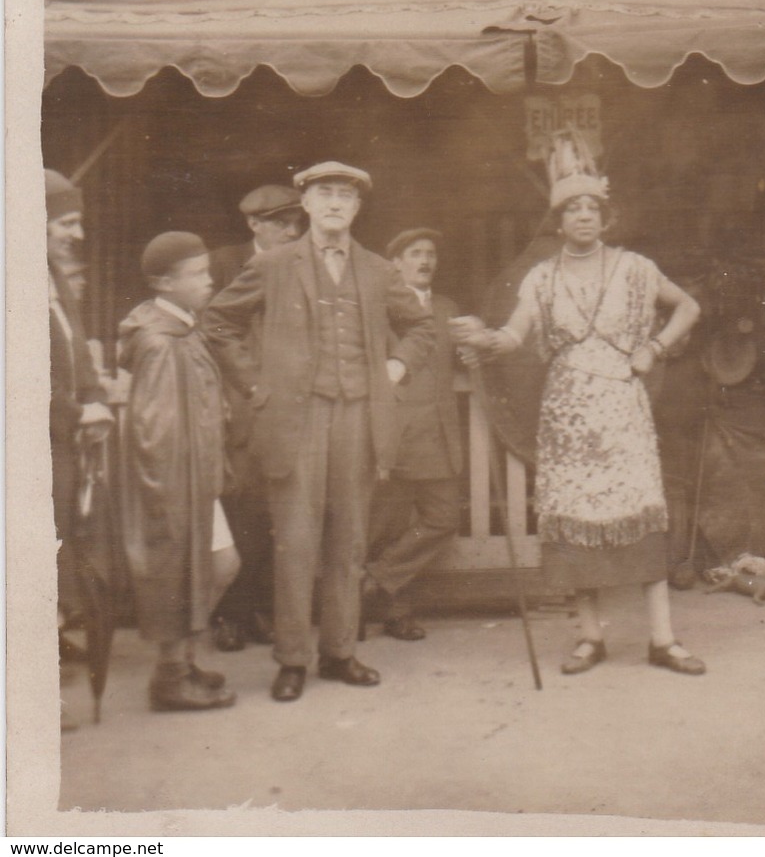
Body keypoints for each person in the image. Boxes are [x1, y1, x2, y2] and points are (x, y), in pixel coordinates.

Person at [456, 129, 705, 676]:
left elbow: (688, 306)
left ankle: (662, 639)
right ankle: (589, 637)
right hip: (566, 415)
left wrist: (655, 347)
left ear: (606, 217)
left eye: (593, 208)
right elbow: (513, 336)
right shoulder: (540, 278)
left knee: (641, 518)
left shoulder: (636, 268)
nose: (585, 216)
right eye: (574, 209)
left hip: (623, 411)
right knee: (575, 526)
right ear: (559, 221)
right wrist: (483, 339)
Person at [203, 162, 436, 703]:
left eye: (345, 196)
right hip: (296, 421)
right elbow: (218, 321)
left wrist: (396, 367)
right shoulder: (275, 264)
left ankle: (338, 653)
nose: (334, 204)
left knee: (348, 541)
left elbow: (422, 326)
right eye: (324, 194)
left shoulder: (378, 271)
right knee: (297, 543)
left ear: (357, 209)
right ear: (305, 205)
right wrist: (256, 384)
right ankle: (292, 659)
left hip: (358, 418)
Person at [118, 233, 240, 711]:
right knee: (190, 569)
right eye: (198, 275)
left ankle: (181, 661)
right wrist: (173, 488)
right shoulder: (161, 343)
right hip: (175, 483)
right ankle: (170, 677)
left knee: (220, 564)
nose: (209, 281)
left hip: (197, 476)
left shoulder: (183, 328)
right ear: (163, 283)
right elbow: (157, 428)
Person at [208, 183, 305, 653]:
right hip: (236, 411)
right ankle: (229, 615)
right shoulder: (221, 264)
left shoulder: (303, 265)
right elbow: (205, 333)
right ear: (254, 224)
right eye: (282, 222)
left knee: (275, 515)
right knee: (238, 513)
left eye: (295, 222)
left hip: (287, 411)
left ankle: (260, 609)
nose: (292, 230)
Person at [361, 228, 464, 641]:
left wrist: (473, 345)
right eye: (415, 254)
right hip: (397, 434)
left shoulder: (446, 308)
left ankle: (373, 581)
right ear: (396, 264)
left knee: (442, 519)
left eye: (431, 254)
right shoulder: (382, 309)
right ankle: (394, 613)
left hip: (439, 434)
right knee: (386, 526)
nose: (425, 261)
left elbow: (458, 355)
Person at [46, 171, 114, 690]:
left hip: (62, 446)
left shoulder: (52, 277)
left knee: (62, 543)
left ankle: (51, 639)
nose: (77, 235)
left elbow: (77, 358)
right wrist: (76, 413)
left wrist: (92, 398)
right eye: (66, 222)